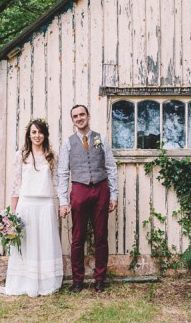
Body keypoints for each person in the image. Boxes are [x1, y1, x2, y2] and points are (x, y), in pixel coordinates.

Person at [57, 105, 118, 293]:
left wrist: (113, 194)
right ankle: (78, 280)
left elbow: (111, 166)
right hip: (79, 190)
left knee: (101, 236)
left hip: (100, 189)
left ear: (88, 116)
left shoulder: (100, 138)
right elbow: (62, 172)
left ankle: (100, 279)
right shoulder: (68, 143)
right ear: (72, 120)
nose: (79, 118)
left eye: (82, 114)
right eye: (75, 116)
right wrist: (63, 201)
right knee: (78, 238)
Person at [0, 118, 63, 297]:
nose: (37, 135)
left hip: (46, 205)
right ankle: (24, 282)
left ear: (45, 135)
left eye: (40, 132)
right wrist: (11, 214)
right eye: (34, 132)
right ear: (29, 135)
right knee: (27, 244)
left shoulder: (52, 155)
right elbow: (16, 185)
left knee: (44, 242)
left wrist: (62, 203)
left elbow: (56, 183)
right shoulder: (21, 155)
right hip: (26, 205)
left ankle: (45, 282)